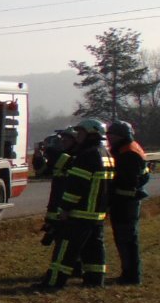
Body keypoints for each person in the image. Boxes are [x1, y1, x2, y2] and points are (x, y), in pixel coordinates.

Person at [37, 117, 114, 291]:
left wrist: (65, 208)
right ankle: (95, 280)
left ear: (92, 134)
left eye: (81, 132)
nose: (78, 135)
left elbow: (76, 187)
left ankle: (53, 282)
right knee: (94, 249)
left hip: (79, 213)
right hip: (97, 214)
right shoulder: (106, 154)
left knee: (65, 251)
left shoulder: (86, 156)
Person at [107, 119, 149, 285]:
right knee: (127, 238)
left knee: (127, 239)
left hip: (126, 202)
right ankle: (129, 273)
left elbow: (127, 180)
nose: (109, 138)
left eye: (112, 135)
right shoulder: (129, 148)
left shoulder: (127, 153)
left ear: (121, 136)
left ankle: (131, 276)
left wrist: (111, 190)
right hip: (127, 201)